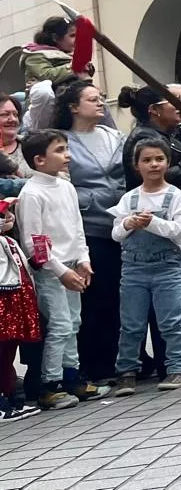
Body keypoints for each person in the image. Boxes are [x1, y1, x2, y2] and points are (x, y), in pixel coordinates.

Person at [16, 129, 109, 408]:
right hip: (50, 271)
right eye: (59, 150)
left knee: (73, 322)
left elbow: (77, 227)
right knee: (59, 325)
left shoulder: (66, 187)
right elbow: (34, 244)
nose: (67, 155)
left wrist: (83, 259)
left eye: (66, 148)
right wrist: (61, 271)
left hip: (72, 266)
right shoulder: (32, 193)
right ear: (39, 160)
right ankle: (49, 385)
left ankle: (72, 378)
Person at [52, 82, 126, 385]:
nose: (100, 103)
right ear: (73, 107)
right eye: (92, 99)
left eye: (101, 98)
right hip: (90, 224)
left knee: (122, 294)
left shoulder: (113, 135)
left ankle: (124, 357)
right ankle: (96, 363)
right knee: (98, 296)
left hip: (122, 222)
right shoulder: (63, 140)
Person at [109, 140, 181, 394]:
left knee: (171, 321)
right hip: (133, 269)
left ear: (168, 162)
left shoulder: (176, 196)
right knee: (131, 324)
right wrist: (128, 224)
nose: (153, 164)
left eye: (159, 159)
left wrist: (152, 223)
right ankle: (127, 371)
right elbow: (115, 233)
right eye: (147, 160)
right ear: (136, 165)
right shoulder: (129, 198)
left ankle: (178, 368)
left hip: (168, 268)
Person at [0, 190, 42, 421]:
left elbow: (21, 266)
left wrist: (36, 261)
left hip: (17, 301)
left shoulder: (9, 240)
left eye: (10, 212)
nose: (9, 217)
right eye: (3, 214)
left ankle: (9, 398)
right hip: (4, 301)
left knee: (8, 351)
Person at [22, 17, 90, 89]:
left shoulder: (67, 54)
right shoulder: (36, 55)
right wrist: (73, 67)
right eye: (72, 35)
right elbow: (46, 75)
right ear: (55, 38)